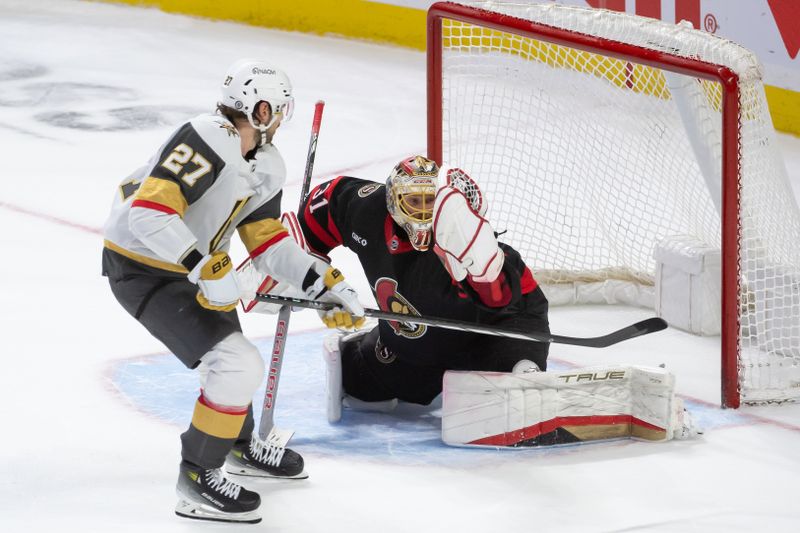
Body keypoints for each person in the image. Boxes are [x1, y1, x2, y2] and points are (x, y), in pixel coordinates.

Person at [101, 59, 364, 524]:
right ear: (262, 110)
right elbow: (149, 214)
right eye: (279, 111)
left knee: (234, 363)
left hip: (194, 266)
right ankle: (197, 476)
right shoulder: (207, 135)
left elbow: (267, 244)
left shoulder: (265, 162)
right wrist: (201, 266)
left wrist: (322, 281)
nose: (282, 121)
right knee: (236, 363)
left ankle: (238, 446)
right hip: (142, 267)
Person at [296, 155, 550, 418]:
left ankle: (523, 372)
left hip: (489, 329)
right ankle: (361, 348)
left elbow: (500, 299)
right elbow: (324, 206)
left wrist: (481, 266)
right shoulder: (368, 210)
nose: (423, 211)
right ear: (393, 200)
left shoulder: (458, 237)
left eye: (431, 201)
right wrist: (308, 271)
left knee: (515, 387)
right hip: (415, 341)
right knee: (360, 385)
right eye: (414, 201)